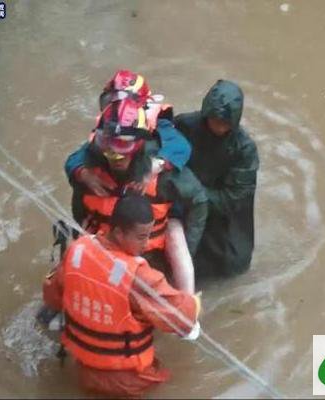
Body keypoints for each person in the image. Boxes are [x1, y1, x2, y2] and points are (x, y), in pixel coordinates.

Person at [43, 194, 201, 397]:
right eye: (141, 237)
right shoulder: (139, 277)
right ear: (118, 232)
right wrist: (195, 303)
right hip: (131, 383)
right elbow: (184, 319)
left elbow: (52, 297)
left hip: (83, 371)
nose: (146, 244)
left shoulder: (76, 250)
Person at [64, 94, 207, 293]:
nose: (116, 156)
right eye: (109, 146)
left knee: (175, 238)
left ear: (139, 144)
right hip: (103, 252)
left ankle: (187, 304)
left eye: (123, 146)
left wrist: (188, 249)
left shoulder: (162, 173)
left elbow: (199, 201)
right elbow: (79, 209)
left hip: (151, 256)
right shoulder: (87, 169)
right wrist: (81, 174)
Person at [174, 80, 259, 277]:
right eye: (215, 120)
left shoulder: (244, 150)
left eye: (225, 123)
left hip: (220, 216)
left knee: (230, 266)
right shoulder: (184, 125)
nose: (219, 127)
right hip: (183, 200)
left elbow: (234, 198)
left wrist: (193, 193)